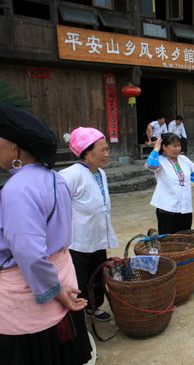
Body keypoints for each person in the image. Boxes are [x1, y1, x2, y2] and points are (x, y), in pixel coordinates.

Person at [0, 101, 92, 365]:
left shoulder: (17, 189)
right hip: (63, 269)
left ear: (15, 147)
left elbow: (28, 252)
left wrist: (54, 290)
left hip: (38, 289)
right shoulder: (55, 178)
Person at [60, 127, 119, 322]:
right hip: (78, 240)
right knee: (79, 279)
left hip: (97, 236)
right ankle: (75, 316)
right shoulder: (71, 175)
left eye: (107, 149)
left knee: (97, 275)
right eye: (101, 150)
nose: (106, 154)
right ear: (86, 153)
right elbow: (57, 204)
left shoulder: (100, 173)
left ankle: (92, 308)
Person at [145, 133, 194, 233]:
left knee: (185, 239)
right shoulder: (160, 161)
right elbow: (150, 165)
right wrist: (156, 148)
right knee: (168, 242)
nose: (178, 149)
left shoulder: (184, 159)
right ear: (164, 147)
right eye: (174, 146)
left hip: (185, 209)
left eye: (179, 145)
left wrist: (191, 183)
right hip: (167, 210)